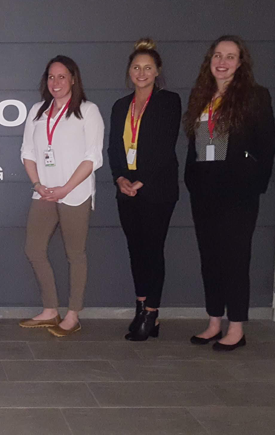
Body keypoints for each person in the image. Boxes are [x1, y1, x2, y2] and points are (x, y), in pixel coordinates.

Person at [183, 35, 275, 351]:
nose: (222, 62)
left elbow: (267, 145)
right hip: (204, 189)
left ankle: (236, 327)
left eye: (230, 57)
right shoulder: (201, 96)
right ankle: (214, 322)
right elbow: (193, 143)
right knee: (210, 259)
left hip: (237, 192)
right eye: (218, 56)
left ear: (240, 63)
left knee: (235, 259)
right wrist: (191, 179)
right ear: (210, 61)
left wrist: (252, 183)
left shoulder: (254, 96)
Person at [19, 55, 105, 337]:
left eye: (62, 77)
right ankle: (50, 310)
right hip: (43, 193)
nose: (55, 82)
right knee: (34, 249)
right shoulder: (37, 111)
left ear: (73, 79)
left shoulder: (88, 111)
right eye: (51, 77)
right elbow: (27, 153)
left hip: (74, 194)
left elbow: (93, 157)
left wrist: (66, 188)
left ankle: (73, 314)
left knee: (75, 254)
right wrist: (37, 185)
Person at [107, 38, 182, 341]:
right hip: (127, 189)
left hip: (157, 188)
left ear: (157, 71)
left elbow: (165, 146)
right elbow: (114, 147)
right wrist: (120, 179)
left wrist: (143, 180)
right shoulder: (120, 106)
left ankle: (152, 312)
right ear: (129, 71)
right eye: (136, 67)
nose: (141, 73)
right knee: (135, 250)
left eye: (147, 68)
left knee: (153, 249)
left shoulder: (169, 101)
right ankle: (141, 307)